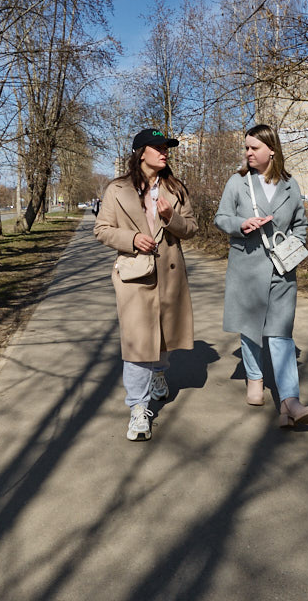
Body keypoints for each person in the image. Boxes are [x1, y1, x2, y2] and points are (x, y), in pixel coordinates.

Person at [94, 128, 198, 441]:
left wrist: (170, 217)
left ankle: (159, 373)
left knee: (164, 337)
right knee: (138, 344)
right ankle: (138, 410)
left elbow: (191, 229)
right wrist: (131, 239)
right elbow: (102, 229)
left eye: (166, 147)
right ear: (141, 152)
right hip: (133, 276)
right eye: (157, 147)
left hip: (169, 273)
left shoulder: (175, 188)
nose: (164, 151)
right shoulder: (118, 189)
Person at [214, 123, 308, 428]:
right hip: (246, 266)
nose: (247, 152)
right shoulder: (238, 182)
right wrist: (242, 223)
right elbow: (221, 218)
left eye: (253, 148)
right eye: (246, 147)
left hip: (282, 271)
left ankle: (290, 400)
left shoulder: (291, 185)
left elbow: (301, 224)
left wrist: (295, 245)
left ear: (271, 150)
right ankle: (255, 379)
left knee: (280, 332)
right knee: (250, 327)